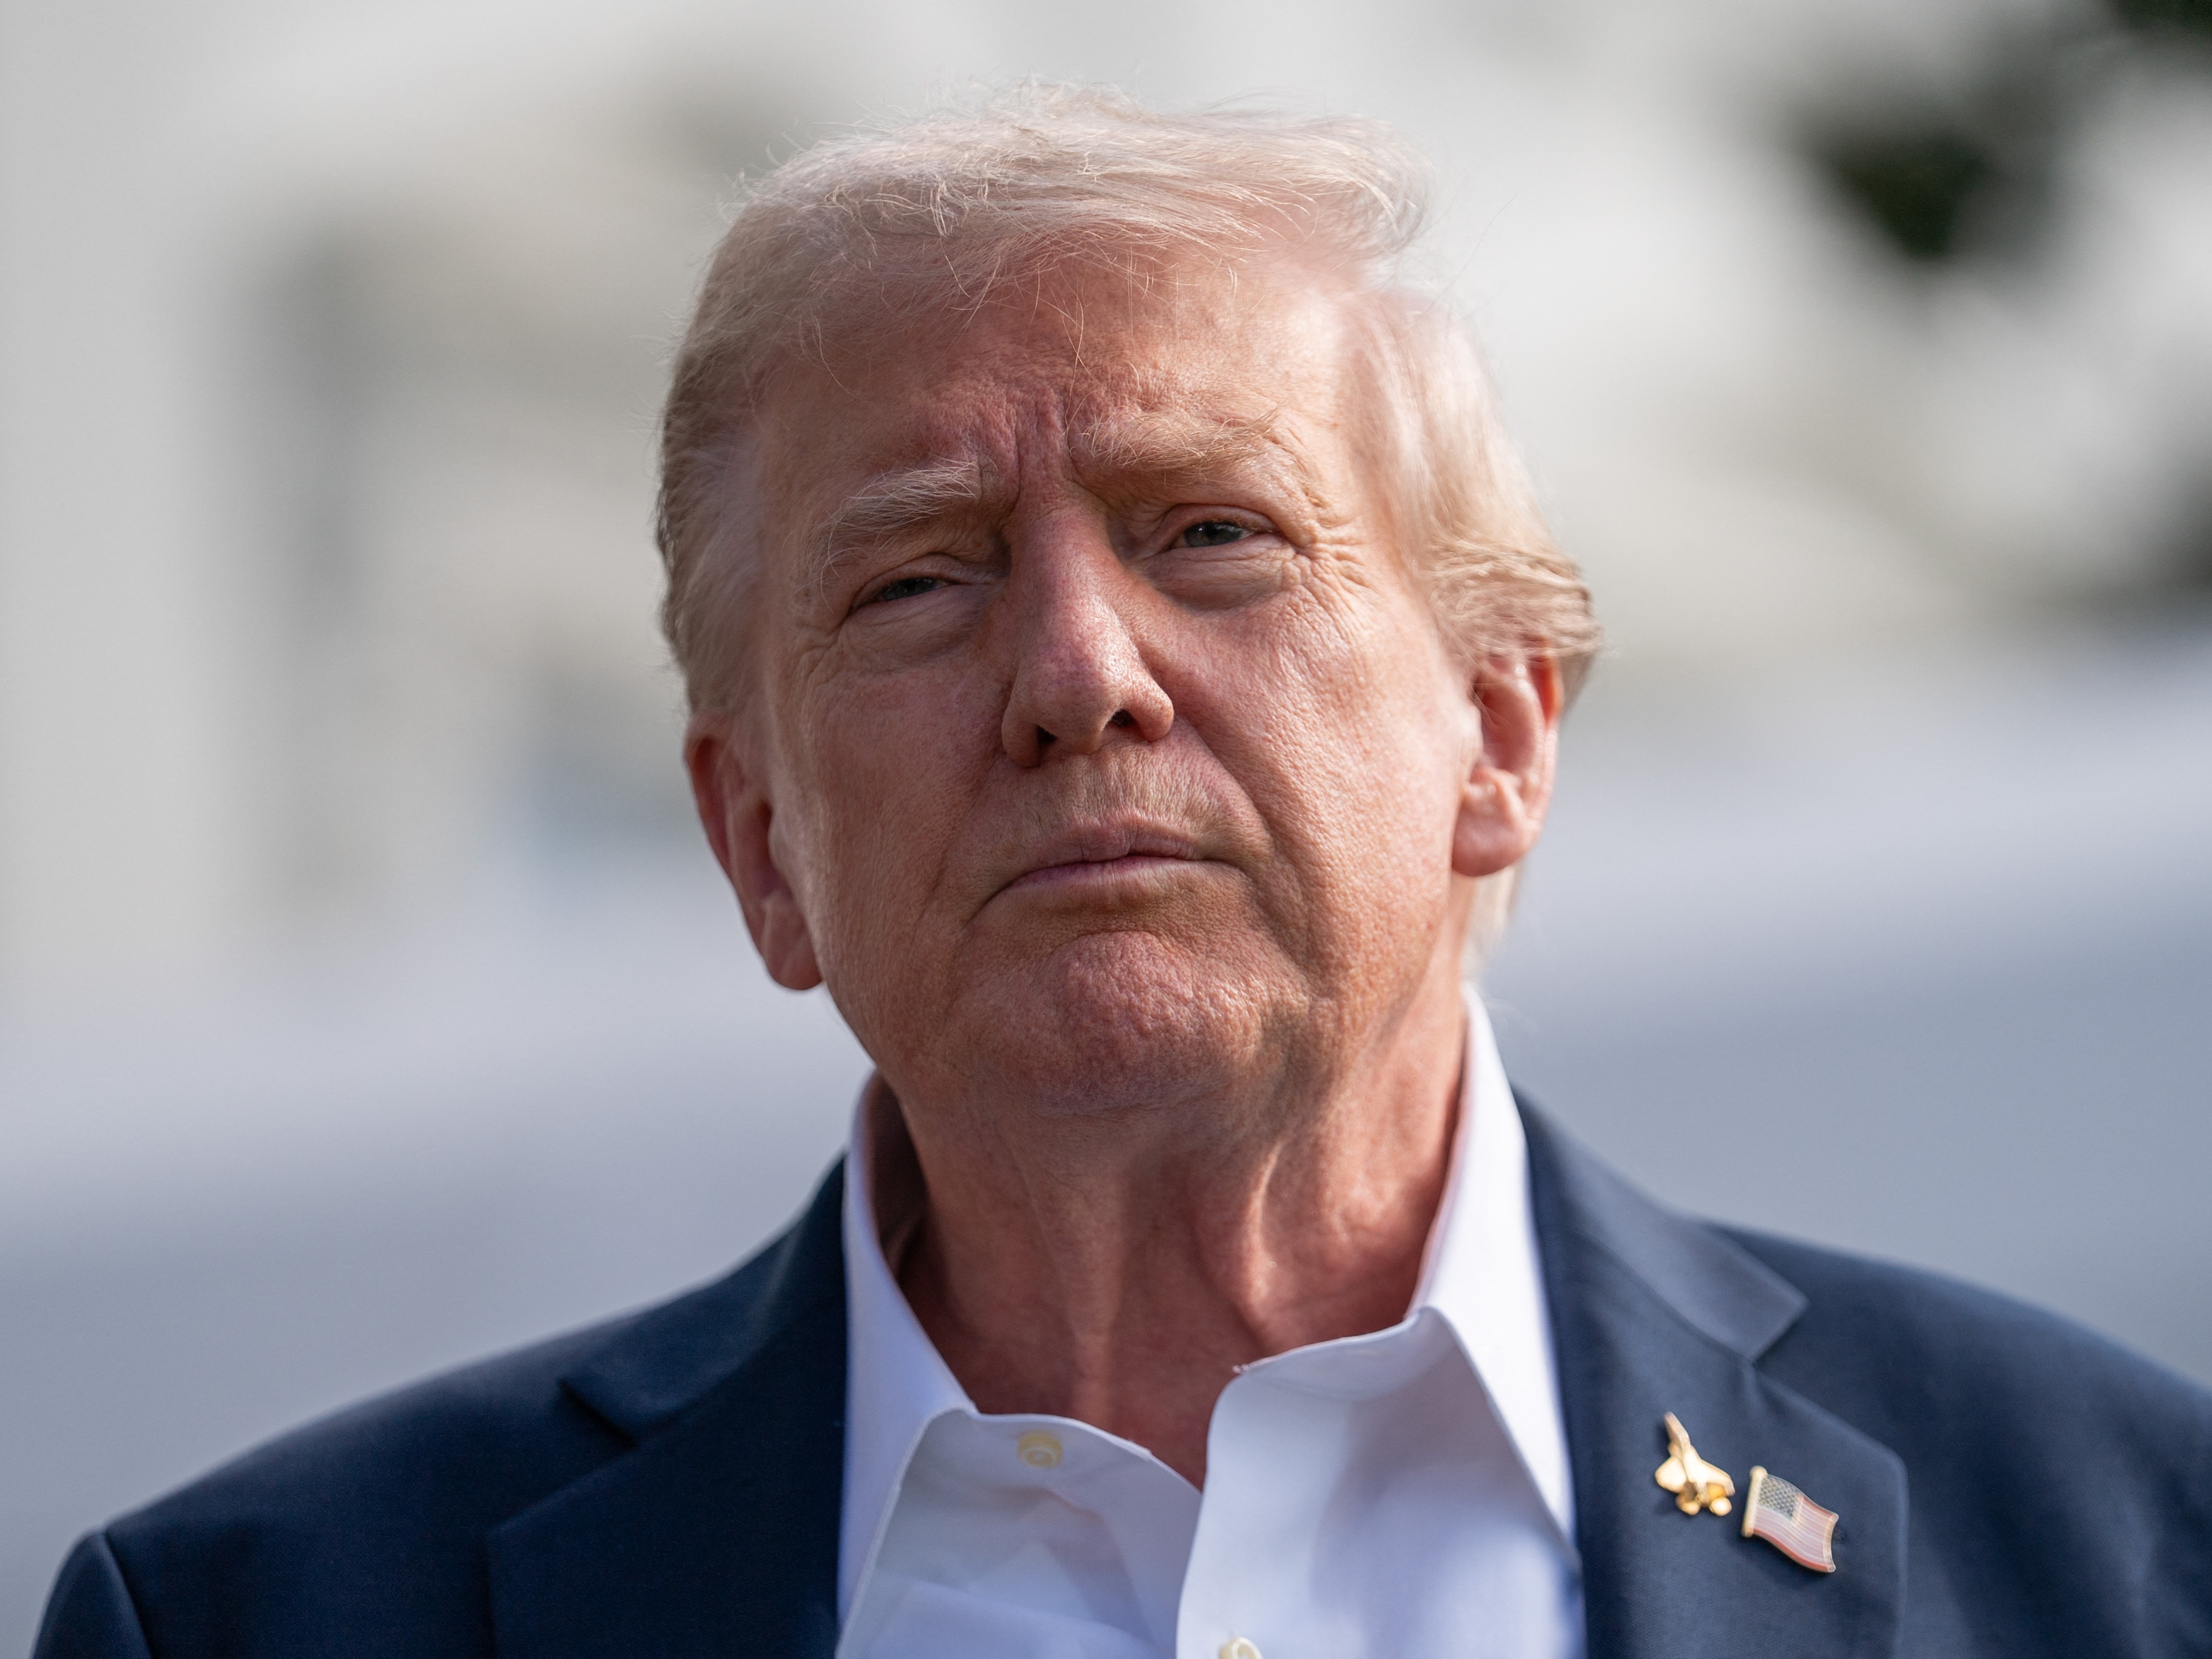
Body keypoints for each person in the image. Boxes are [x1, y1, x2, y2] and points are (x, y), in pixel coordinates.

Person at [35, 87, 2212, 1659]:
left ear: (1502, 731)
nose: (1081, 677)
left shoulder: (2120, 1545)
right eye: (916, 583)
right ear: (758, 842)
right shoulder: (266, 1622)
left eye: (1213, 534)